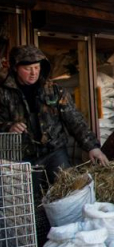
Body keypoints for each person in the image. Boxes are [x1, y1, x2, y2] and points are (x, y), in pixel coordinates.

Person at [0, 45, 108, 199]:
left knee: (69, 194)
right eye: (28, 68)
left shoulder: (54, 90)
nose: (33, 73)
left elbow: (75, 120)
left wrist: (92, 147)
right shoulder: (4, 93)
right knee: (31, 200)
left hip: (55, 152)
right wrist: (9, 126)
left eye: (37, 68)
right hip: (25, 158)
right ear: (16, 68)